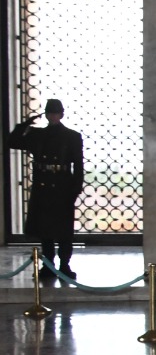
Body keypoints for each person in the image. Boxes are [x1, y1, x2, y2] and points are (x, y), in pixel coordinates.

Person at [6, 98, 84, 278]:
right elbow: (13, 142)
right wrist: (24, 124)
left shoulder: (72, 136)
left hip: (63, 186)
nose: (53, 116)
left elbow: (78, 165)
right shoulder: (37, 135)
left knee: (64, 231)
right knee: (45, 231)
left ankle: (65, 265)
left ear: (61, 115)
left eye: (56, 113)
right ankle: (48, 265)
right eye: (50, 113)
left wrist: (75, 189)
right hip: (43, 186)